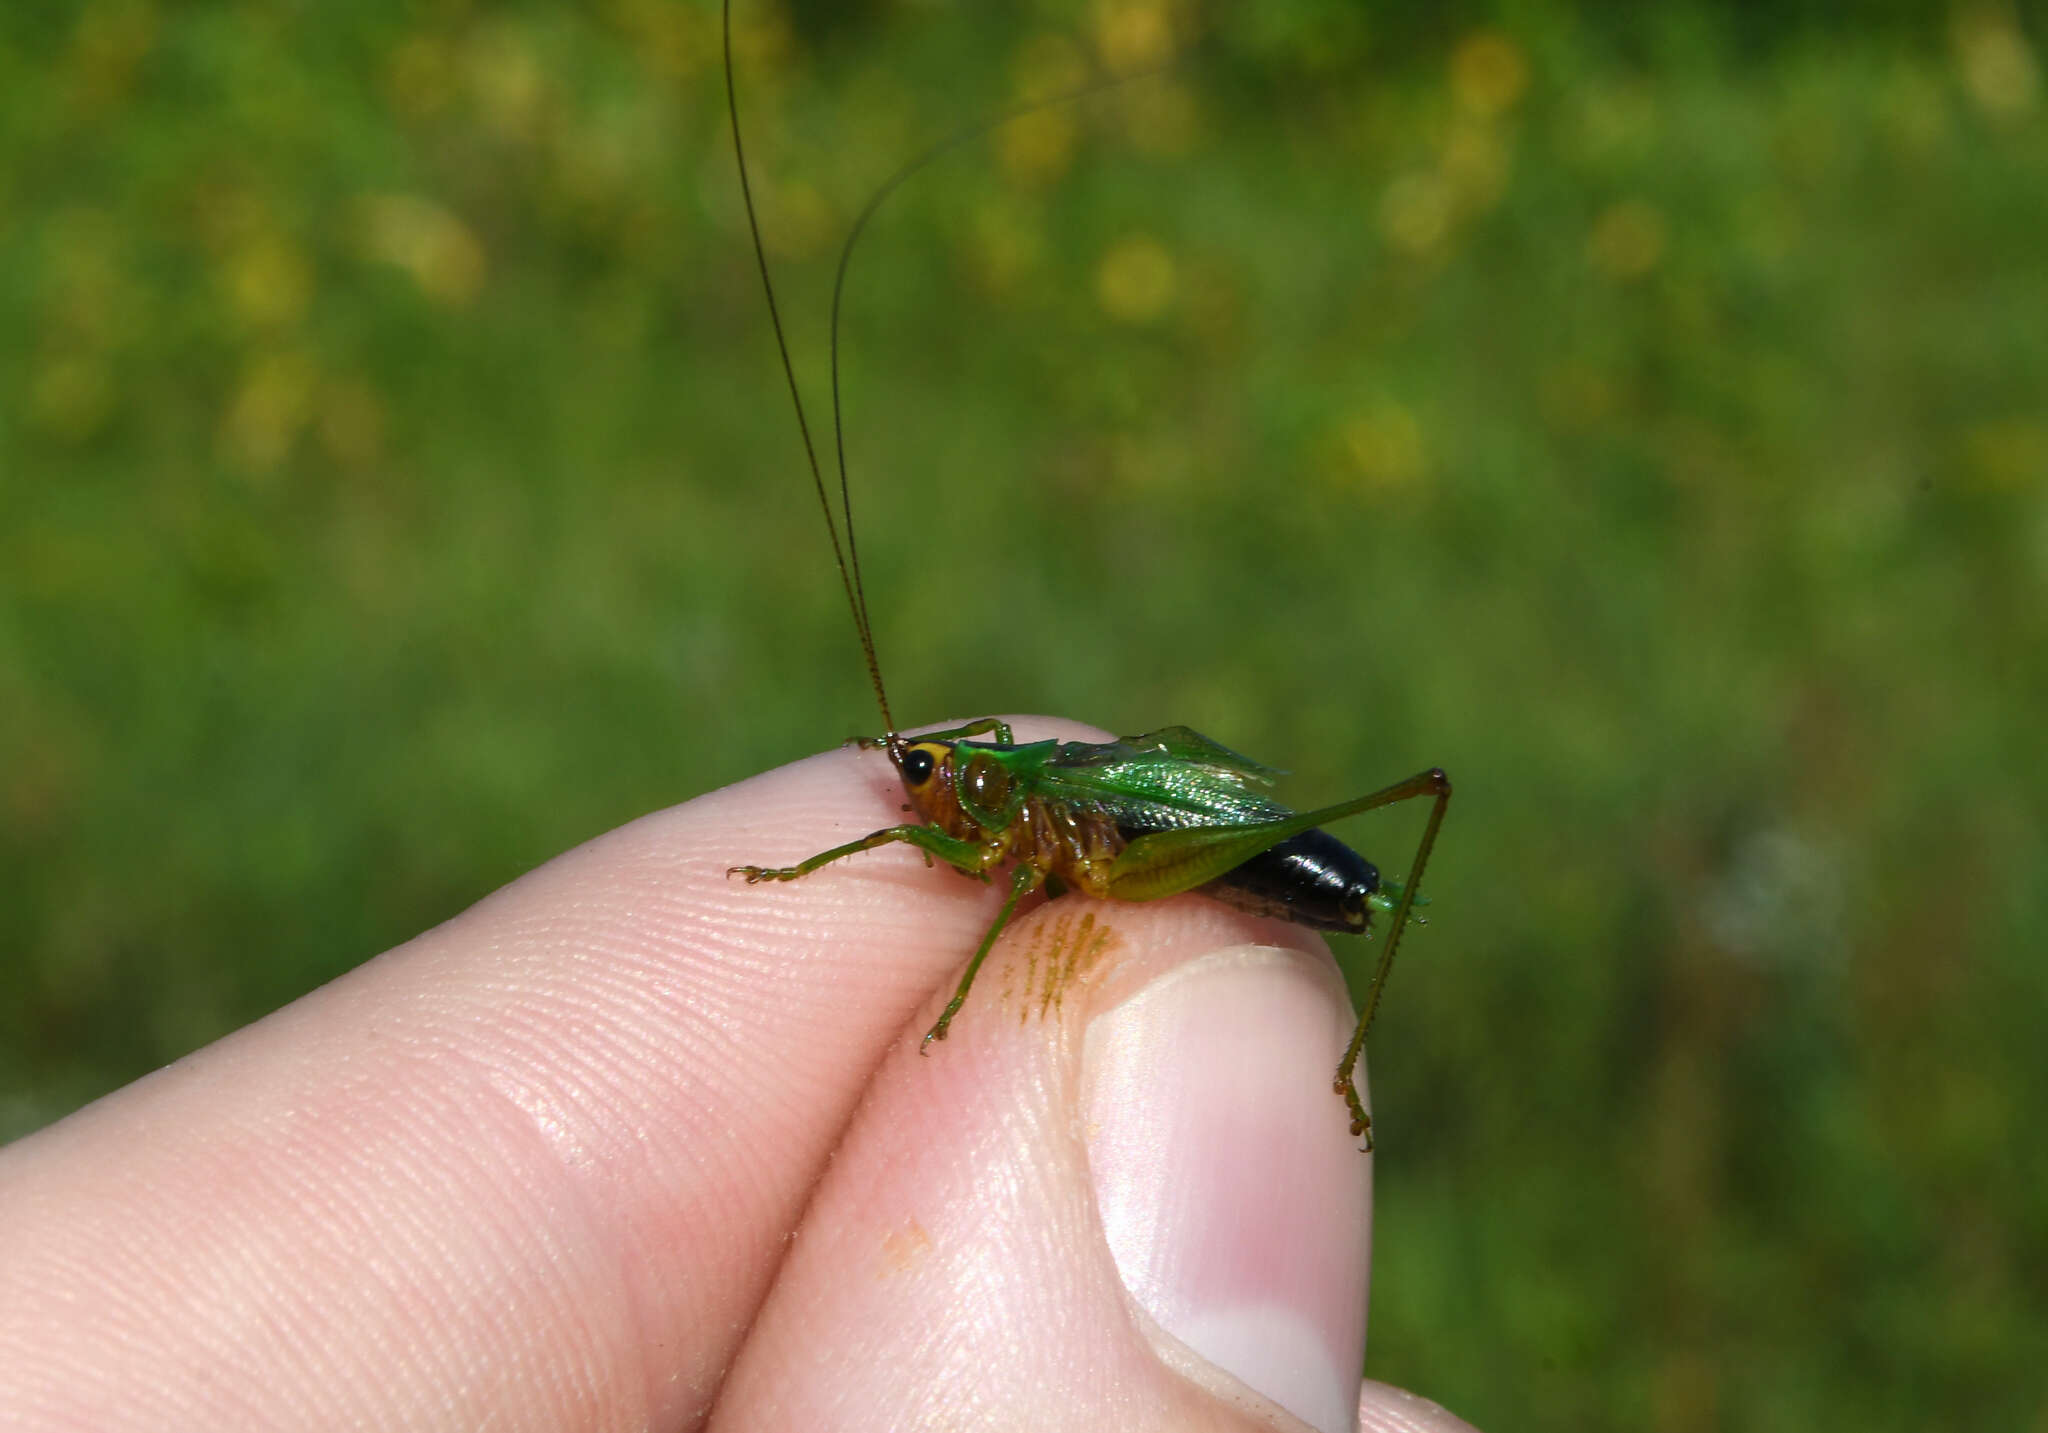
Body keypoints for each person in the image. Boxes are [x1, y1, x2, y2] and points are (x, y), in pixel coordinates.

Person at [0, 720, 1475, 1432]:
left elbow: (1019, 875)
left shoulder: (1033, 809)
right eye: (937, 789)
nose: (935, 812)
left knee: (1375, 825)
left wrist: (975, 974)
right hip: (1125, 806)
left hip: (1197, 840)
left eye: (945, 787)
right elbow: (924, 831)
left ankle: (1340, 1058)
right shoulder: (963, 811)